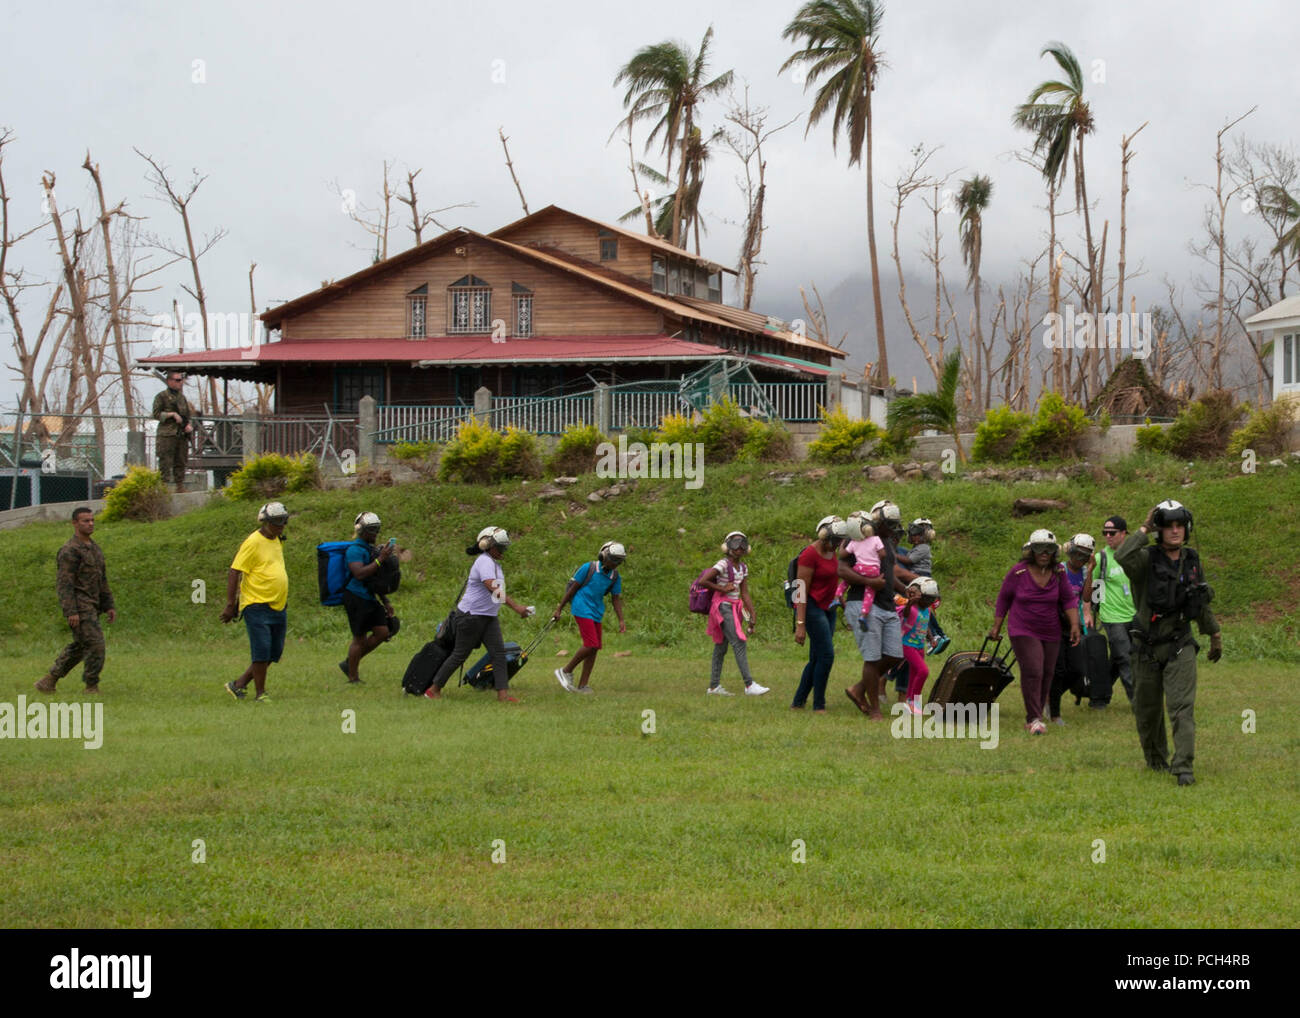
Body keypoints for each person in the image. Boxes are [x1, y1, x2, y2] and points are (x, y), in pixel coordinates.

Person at [1116, 500, 1221, 787]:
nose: (1174, 531)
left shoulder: (1192, 559)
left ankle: (1183, 766)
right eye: (1168, 526)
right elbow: (1122, 557)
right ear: (1159, 530)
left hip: (1180, 643)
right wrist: (1143, 528)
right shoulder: (1144, 559)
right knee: (1146, 709)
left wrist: (1214, 634)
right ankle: (1155, 759)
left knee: (1181, 707)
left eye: (1179, 525)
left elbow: (1199, 599)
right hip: (1146, 646)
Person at [424, 526, 533, 703]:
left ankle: (503, 696)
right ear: (487, 545)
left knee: (498, 654)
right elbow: (493, 589)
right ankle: (433, 690)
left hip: (488, 617)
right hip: (471, 616)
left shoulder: (494, 564)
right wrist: (517, 607)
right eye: (500, 547)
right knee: (460, 654)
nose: (503, 551)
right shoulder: (484, 562)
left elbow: (496, 594)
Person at [990, 529, 1081, 735]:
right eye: (1039, 549)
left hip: (1050, 630)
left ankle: (1036, 715)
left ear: (1054, 552)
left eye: (1048, 549)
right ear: (1031, 550)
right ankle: (1034, 718)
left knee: (1047, 674)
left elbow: (1068, 599)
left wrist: (1075, 624)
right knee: (1034, 670)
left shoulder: (1058, 572)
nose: (1044, 553)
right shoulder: (1018, 572)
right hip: (1022, 628)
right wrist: (996, 626)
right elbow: (1004, 598)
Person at [35, 507, 116, 695]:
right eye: (85, 521)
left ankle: (49, 680)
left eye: (92, 520)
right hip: (80, 606)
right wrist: (71, 611)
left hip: (93, 604)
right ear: (74, 523)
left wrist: (108, 605)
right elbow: (65, 584)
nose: (90, 524)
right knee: (96, 644)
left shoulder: (94, 548)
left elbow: (102, 579)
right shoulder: (69, 550)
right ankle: (91, 686)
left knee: (81, 646)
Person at [222, 502, 290, 702]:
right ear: (265, 522)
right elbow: (235, 571)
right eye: (276, 523)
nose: (280, 527)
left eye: (283, 522)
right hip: (256, 604)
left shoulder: (277, 540)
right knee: (261, 650)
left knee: (274, 651)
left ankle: (239, 684)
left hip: (278, 604)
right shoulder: (252, 542)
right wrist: (231, 604)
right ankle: (260, 693)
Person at [844, 501, 905, 720]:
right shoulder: (858, 535)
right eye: (889, 524)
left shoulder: (885, 540)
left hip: (887, 605)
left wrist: (908, 590)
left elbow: (889, 573)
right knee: (872, 658)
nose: (892, 529)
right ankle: (874, 709)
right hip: (864, 603)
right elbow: (840, 568)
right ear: (877, 521)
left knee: (895, 655)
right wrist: (866, 580)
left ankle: (858, 689)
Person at [553, 541, 628, 694]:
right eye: (613, 559)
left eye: (619, 561)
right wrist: (559, 609)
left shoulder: (614, 576)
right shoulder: (589, 568)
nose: (616, 564)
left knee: (595, 648)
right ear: (603, 556)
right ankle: (566, 671)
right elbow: (572, 590)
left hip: (596, 610)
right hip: (581, 607)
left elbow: (615, 598)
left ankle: (583, 685)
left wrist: (621, 619)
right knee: (591, 644)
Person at [699, 532, 768, 697]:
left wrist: (752, 613)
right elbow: (704, 581)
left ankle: (714, 687)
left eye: (743, 544)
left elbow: (744, 593)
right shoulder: (722, 564)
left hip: (734, 607)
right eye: (735, 544)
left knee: (721, 646)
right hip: (722, 607)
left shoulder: (743, 568)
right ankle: (749, 685)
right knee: (739, 641)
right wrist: (722, 589)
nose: (739, 548)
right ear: (728, 547)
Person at [338, 511, 396, 684]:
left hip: (369, 597)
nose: (375, 534)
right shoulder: (354, 550)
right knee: (360, 638)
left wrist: (385, 601)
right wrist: (381, 559)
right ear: (361, 530)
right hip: (355, 598)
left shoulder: (370, 550)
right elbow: (360, 574)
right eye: (371, 530)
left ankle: (350, 663)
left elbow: (374, 579)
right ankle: (353, 677)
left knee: (383, 631)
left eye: (377, 529)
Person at [791, 517, 843, 711]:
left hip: (829, 608)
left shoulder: (832, 551)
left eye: (839, 540)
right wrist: (801, 624)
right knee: (827, 656)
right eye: (835, 540)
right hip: (812, 607)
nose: (837, 544)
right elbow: (800, 590)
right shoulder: (809, 555)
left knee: (817, 658)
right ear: (823, 536)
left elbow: (831, 581)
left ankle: (798, 702)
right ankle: (818, 704)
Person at [1047, 534, 1095, 724]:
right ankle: (1054, 712)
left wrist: (1090, 571)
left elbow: (1086, 597)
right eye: (1076, 554)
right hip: (1055, 625)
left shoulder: (1084, 573)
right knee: (1058, 670)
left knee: (1077, 671)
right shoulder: (1060, 570)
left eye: (1084, 556)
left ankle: (1049, 696)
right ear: (1070, 551)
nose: (1078, 559)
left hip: (1074, 626)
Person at [1092, 515, 1136, 707]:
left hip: (1136, 615)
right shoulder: (1101, 558)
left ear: (1124, 533)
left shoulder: (1135, 554)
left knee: (1119, 659)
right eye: (1105, 533)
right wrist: (1089, 612)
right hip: (1112, 617)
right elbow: (1093, 590)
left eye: (1112, 532)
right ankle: (1139, 703)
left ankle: (1098, 694)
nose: (1108, 536)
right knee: (1125, 658)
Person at [899, 576, 939, 714]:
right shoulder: (911, 608)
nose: (930, 602)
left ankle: (909, 701)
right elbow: (905, 613)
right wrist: (910, 603)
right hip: (907, 645)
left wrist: (931, 638)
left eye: (932, 599)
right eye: (927, 599)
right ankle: (913, 702)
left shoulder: (926, 610)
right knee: (923, 671)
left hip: (919, 646)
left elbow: (925, 624)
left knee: (914, 672)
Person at [152, 371, 195, 490]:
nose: (180, 383)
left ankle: (179, 486)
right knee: (165, 461)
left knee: (181, 460)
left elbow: (187, 415)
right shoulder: (161, 396)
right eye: (177, 380)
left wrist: (188, 426)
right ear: (169, 381)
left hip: (181, 435)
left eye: (181, 380)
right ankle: (163, 487)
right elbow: (156, 414)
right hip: (167, 434)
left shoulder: (182, 398)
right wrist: (171, 414)